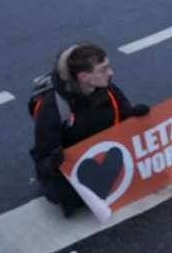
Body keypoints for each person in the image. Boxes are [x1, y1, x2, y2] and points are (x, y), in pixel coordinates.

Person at [30, 43, 151, 216]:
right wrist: (54, 162)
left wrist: (135, 116)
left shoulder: (108, 90)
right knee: (64, 196)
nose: (111, 73)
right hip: (72, 166)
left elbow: (126, 118)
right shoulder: (53, 108)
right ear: (84, 77)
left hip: (103, 152)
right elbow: (42, 159)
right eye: (103, 69)